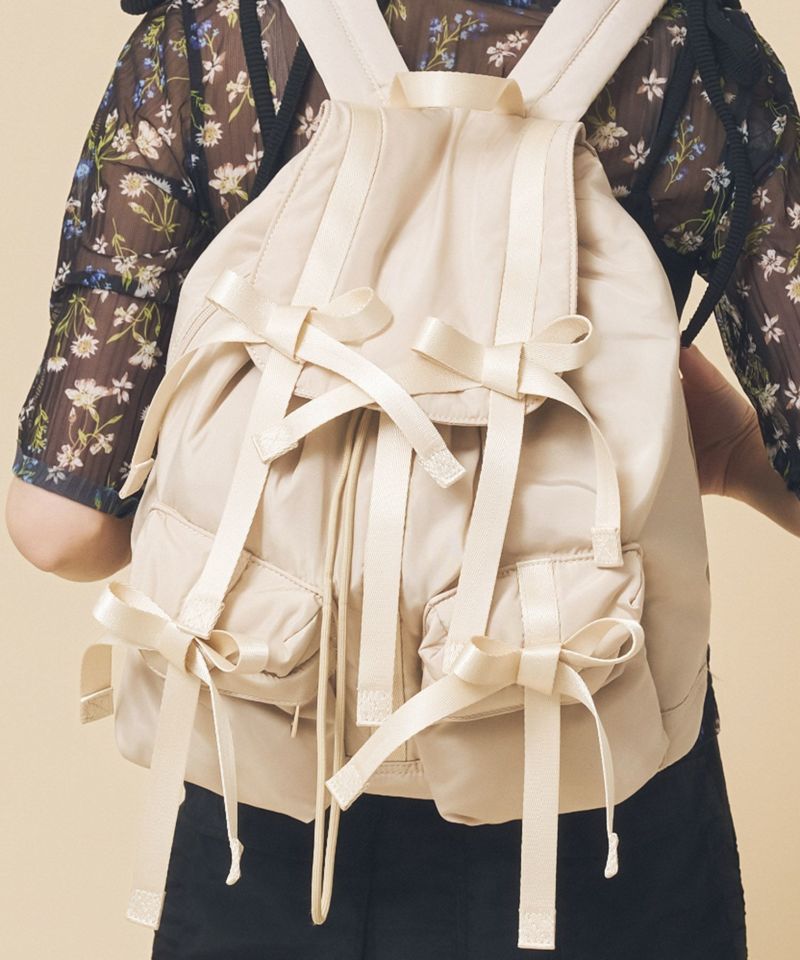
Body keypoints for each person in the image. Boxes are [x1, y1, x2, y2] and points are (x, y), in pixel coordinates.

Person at [6, 1, 800, 957]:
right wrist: (732, 455)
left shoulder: (205, 41)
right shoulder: (693, 53)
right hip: (591, 777)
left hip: (265, 778)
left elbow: (59, 527)